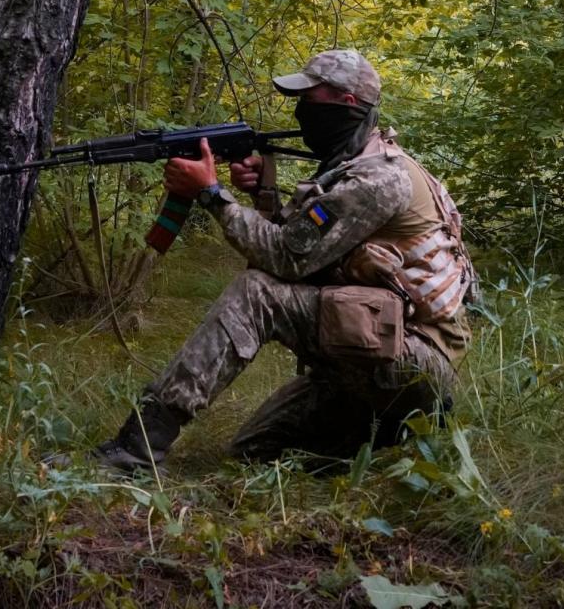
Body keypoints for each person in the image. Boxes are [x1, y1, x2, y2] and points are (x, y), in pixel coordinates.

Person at [94, 49, 476, 471]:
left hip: (413, 367)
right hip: (375, 356)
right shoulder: (355, 164)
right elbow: (304, 246)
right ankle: (384, 432)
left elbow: (285, 260)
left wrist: (211, 194)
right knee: (251, 456)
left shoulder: (378, 178)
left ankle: (137, 448)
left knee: (256, 293)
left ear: (346, 103)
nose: (300, 110)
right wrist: (264, 192)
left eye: (310, 98)